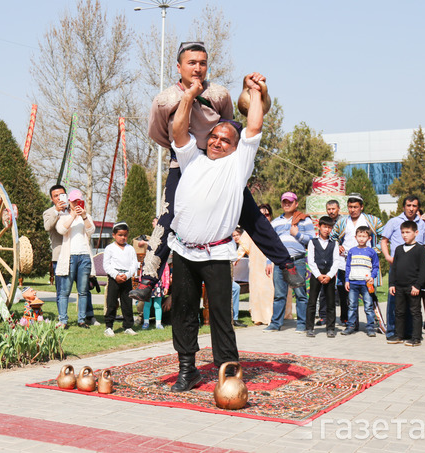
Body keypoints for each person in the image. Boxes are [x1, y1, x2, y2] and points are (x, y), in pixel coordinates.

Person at [129, 42, 302, 303]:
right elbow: (158, 133)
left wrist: (249, 91)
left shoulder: (219, 94)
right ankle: (148, 280)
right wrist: (188, 151)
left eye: (202, 63)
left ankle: (286, 264)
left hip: (220, 164)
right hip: (185, 161)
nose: (197, 68)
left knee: (252, 215)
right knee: (168, 219)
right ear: (179, 67)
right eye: (191, 63)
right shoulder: (164, 100)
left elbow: (230, 123)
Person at [167, 71, 265, 392]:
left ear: (236, 148)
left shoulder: (237, 166)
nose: (218, 141)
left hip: (216, 252)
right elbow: (178, 129)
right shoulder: (191, 158)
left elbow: (253, 127)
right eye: (214, 136)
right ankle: (188, 370)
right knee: (183, 311)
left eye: (225, 139)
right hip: (182, 249)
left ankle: (229, 372)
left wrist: (255, 91)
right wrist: (189, 96)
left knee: (221, 315)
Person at [264, 192, 315, 333]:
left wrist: (297, 234)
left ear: (296, 204)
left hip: (296, 261)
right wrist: (269, 261)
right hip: (279, 263)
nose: (287, 204)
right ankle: (275, 324)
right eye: (284, 202)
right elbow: (271, 244)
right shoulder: (275, 222)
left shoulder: (304, 220)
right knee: (279, 294)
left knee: (300, 293)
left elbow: (312, 240)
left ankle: (302, 324)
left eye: (290, 202)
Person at [331, 193, 385, 325]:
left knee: (370, 295)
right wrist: (338, 246)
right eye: (350, 207)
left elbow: (384, 237)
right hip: (346, 264)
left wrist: (374, 251)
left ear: (361, 207)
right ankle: (350, 322)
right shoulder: (342, 222)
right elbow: (333, 237)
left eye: (355, 206)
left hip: (366, 265)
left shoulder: (372, 220)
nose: (352, 209)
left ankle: (375, 323)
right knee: (346, 295)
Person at [380, 196, 425, 339]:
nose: (411, 208)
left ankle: (409, 333)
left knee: (412, 304)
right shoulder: (394, 222)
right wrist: (389, 257)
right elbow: (384, 240)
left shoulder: (421, 224)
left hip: (414, 271)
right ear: (403, 207)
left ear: (418, 208)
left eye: (414, 205)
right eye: (408, 205)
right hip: (398, 268)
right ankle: (393, 332)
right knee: (395, 303)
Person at [55, 189, 97, 329]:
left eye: (78, 201)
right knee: (65, 291)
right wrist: (72, 216)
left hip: (84, 256)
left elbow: (91, 231)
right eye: (73, 201)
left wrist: (84, 217)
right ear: (69, 202)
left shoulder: (86, 216)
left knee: (83, 291)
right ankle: (63, 320)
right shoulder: (64, 216)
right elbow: (61, 230)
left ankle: (81, 320)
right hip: (70, 257)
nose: (76, 204)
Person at [387, 221, 425, 347]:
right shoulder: (399, 249)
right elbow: (394, 268)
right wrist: (392, 284)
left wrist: (418, 285)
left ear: (416, 233)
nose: (405, 235)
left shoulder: (421, 250)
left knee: (415, 312)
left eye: (408, 232)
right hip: (399, 286)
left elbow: (423, 269)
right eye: (403, 232)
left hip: (413, 287)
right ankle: (399, 335)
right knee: (399, 311)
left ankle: (416, 337)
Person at [103, 222, 139, 337]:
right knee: (112, 302)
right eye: (120, 235)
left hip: (126, 278)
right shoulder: (110, 248)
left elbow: (134, 264)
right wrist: (116, 275)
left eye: (125, 235)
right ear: (114, 235)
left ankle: (128, 326)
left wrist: (127, 275)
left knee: (127, 303)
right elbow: (106, 265)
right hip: (114, 278)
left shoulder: (130, 249)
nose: (123, 237)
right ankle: (109, 326)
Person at [306, 216, 340, 338]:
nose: (327, 230)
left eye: (329, 227)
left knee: (330, 302)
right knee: (312, 301)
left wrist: (330, 275)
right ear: (319, 227)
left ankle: (330, 328)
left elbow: (336, 261)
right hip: (317, 275)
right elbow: (311, 261)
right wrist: (319, 275)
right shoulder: (312, 242)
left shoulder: (334, 243)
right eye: (324, 227)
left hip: (330, 276)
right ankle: (309, 328)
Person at [342, 226, 379, 337]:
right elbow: (348, 266)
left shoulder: (371, 252)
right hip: (353, 283)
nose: (361, 239)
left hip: (366, 284)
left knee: (368, 306)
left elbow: (376, 266)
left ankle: (370, 327)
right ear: (355, 237)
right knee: (352, 306)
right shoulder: (352, 251)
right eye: (359, 236)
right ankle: (350, 326)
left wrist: (372, 276)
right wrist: (347, 280)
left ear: (369, 238)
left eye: (364, 236)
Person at [317, 200, 344, 326]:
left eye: (333, 209)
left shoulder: (344, 222)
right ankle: (323, 316)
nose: (331, 211)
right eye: (329, 209)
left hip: (342, 260)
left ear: (339, 208)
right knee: (324, 289)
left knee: (342, 289)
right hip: (326, 260)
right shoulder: (325, 222)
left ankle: (344, 317)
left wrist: (340, 245)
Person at [43, 184, 67, 316]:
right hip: (59, 255)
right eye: (55, 196)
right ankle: (62, 315)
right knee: (61, 289)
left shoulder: (73, 210)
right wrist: (57, 212)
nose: (59, 198)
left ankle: (87, 316)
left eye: (61, 195)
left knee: (83, 289)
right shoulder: (49, 212)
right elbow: (48, 226)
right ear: (52, 199)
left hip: (75, 254)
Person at [143, 261, 169, 330]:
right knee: (147, 304)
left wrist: (166, 286)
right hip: (148, 285)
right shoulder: (147, 259)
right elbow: (142, 272)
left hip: (158, 286)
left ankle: (158, 323)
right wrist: (141, 284)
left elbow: (166, 274)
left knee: (157, 305)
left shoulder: (163, 261)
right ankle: (146, 322)